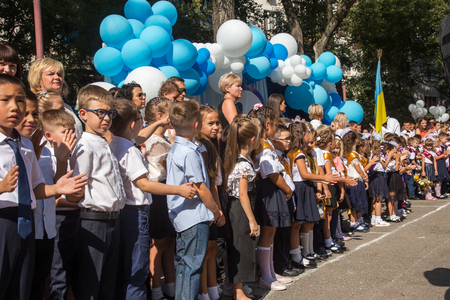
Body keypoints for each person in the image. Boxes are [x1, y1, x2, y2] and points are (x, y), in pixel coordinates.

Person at [0, 74, 87, 300]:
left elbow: (36, 188)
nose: (16, 107)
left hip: (26, 224)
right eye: (5, 100)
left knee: (24, 286)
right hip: (3, 221)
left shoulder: (25, 145)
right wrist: (1, 186)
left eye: (20, 100)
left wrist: (57, 188)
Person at [109, 99, 196, 299]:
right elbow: (144, 184)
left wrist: (157, 123)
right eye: (140, 120)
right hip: (135, 212)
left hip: (125, 212)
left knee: (129, 265)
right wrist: (178, 190)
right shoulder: (130, 149)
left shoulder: (115, 142)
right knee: (137, 268)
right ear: (133, 124)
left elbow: (140, 136)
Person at [69, 85, 126, 299]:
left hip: (112, 220)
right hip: (94, 220)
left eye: (109, 113)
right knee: (91, 282)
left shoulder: (103, 142)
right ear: (83, 114)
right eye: (100, 113)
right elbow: (79, 184)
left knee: (108, 282)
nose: (106, 118)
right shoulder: (85, 145)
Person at [166, 100, 224, 300]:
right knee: (192, 268)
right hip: (194, 217)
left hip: (183, 216)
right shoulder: (189, 152)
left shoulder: (176, 148)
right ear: (197, 125)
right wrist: (215, 211)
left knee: (185, 267)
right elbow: (201, 188)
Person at [37, 110, 78, 300]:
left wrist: (63, 159)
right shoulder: (43, 154)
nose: (71, 136)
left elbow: (58, 184)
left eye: (72, 131)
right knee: (54, 274)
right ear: (48, 135)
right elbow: (51, 191)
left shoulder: (68, 153)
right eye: (65, 132)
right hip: (48, 221)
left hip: (55, 224)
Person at [250, 106, 292, 291]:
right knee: (267, 232)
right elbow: (271, 173)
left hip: (271, 189)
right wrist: (287, 189)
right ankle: (265, 276)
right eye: (275, 125)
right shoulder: (263, 146)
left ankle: (271, 272)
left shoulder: (265, 143)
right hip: (268, 190)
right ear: (267, 124)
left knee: (271, 232)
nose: (276, 129)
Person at [222, 115, 261, 300]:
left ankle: (240, 289)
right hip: (240, 209)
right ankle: (238, 292)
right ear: (253, 139)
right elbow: (243, 193)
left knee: (242, 247)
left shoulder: (238, 158)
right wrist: (252, 220)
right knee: (241, 247)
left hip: (237, 207)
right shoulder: (242, 164)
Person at [143, 97, 177, 300]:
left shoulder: (164, 140)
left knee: (169, 242)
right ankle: (156, 290)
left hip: (168, 193)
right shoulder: (155, 141)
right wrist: (174, 147)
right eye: (171, 113)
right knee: (158, 244)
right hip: (157, 195)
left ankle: (171, 288)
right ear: (160, 116)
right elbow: (169, 167)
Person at [194, 105, 225, 300]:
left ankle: (213, 289)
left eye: (217, 122)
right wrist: (217, 210)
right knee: (205, 251)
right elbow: (209, 182)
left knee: (212, 248)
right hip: (206, 203)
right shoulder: (202, 147)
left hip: (214, 199)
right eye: (210, 123)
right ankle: (203, 292)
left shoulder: (213, 145)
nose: (215, 127)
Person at [28, 58, 84, 140]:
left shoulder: (68, 107)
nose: (57, 77)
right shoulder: (34, 106)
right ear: (38, 79)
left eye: (59, 75)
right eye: (50, 74)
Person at [341, 129, 370, 232]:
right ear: (356, 141)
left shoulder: (353, 153)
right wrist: (364, 176)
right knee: (355, 204)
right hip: (354, 180)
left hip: (358, 180)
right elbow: (358, 168)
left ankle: (359, 220)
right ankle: (354, 222)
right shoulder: (352, 154)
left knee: (359, 202)